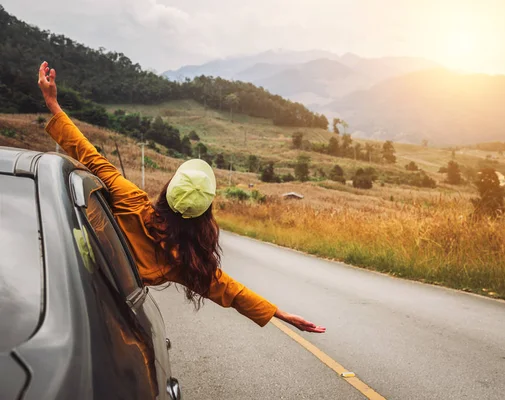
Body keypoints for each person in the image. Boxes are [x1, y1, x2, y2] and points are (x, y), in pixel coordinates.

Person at [37, 61, 325, 334]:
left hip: (68, 293)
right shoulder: (182, 261)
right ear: (204, 214)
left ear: (168, 190)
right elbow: (229, 290)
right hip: (112, 318)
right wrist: (280, 313)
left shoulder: (130, 200)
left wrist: (52, 104)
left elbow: (89, 155)